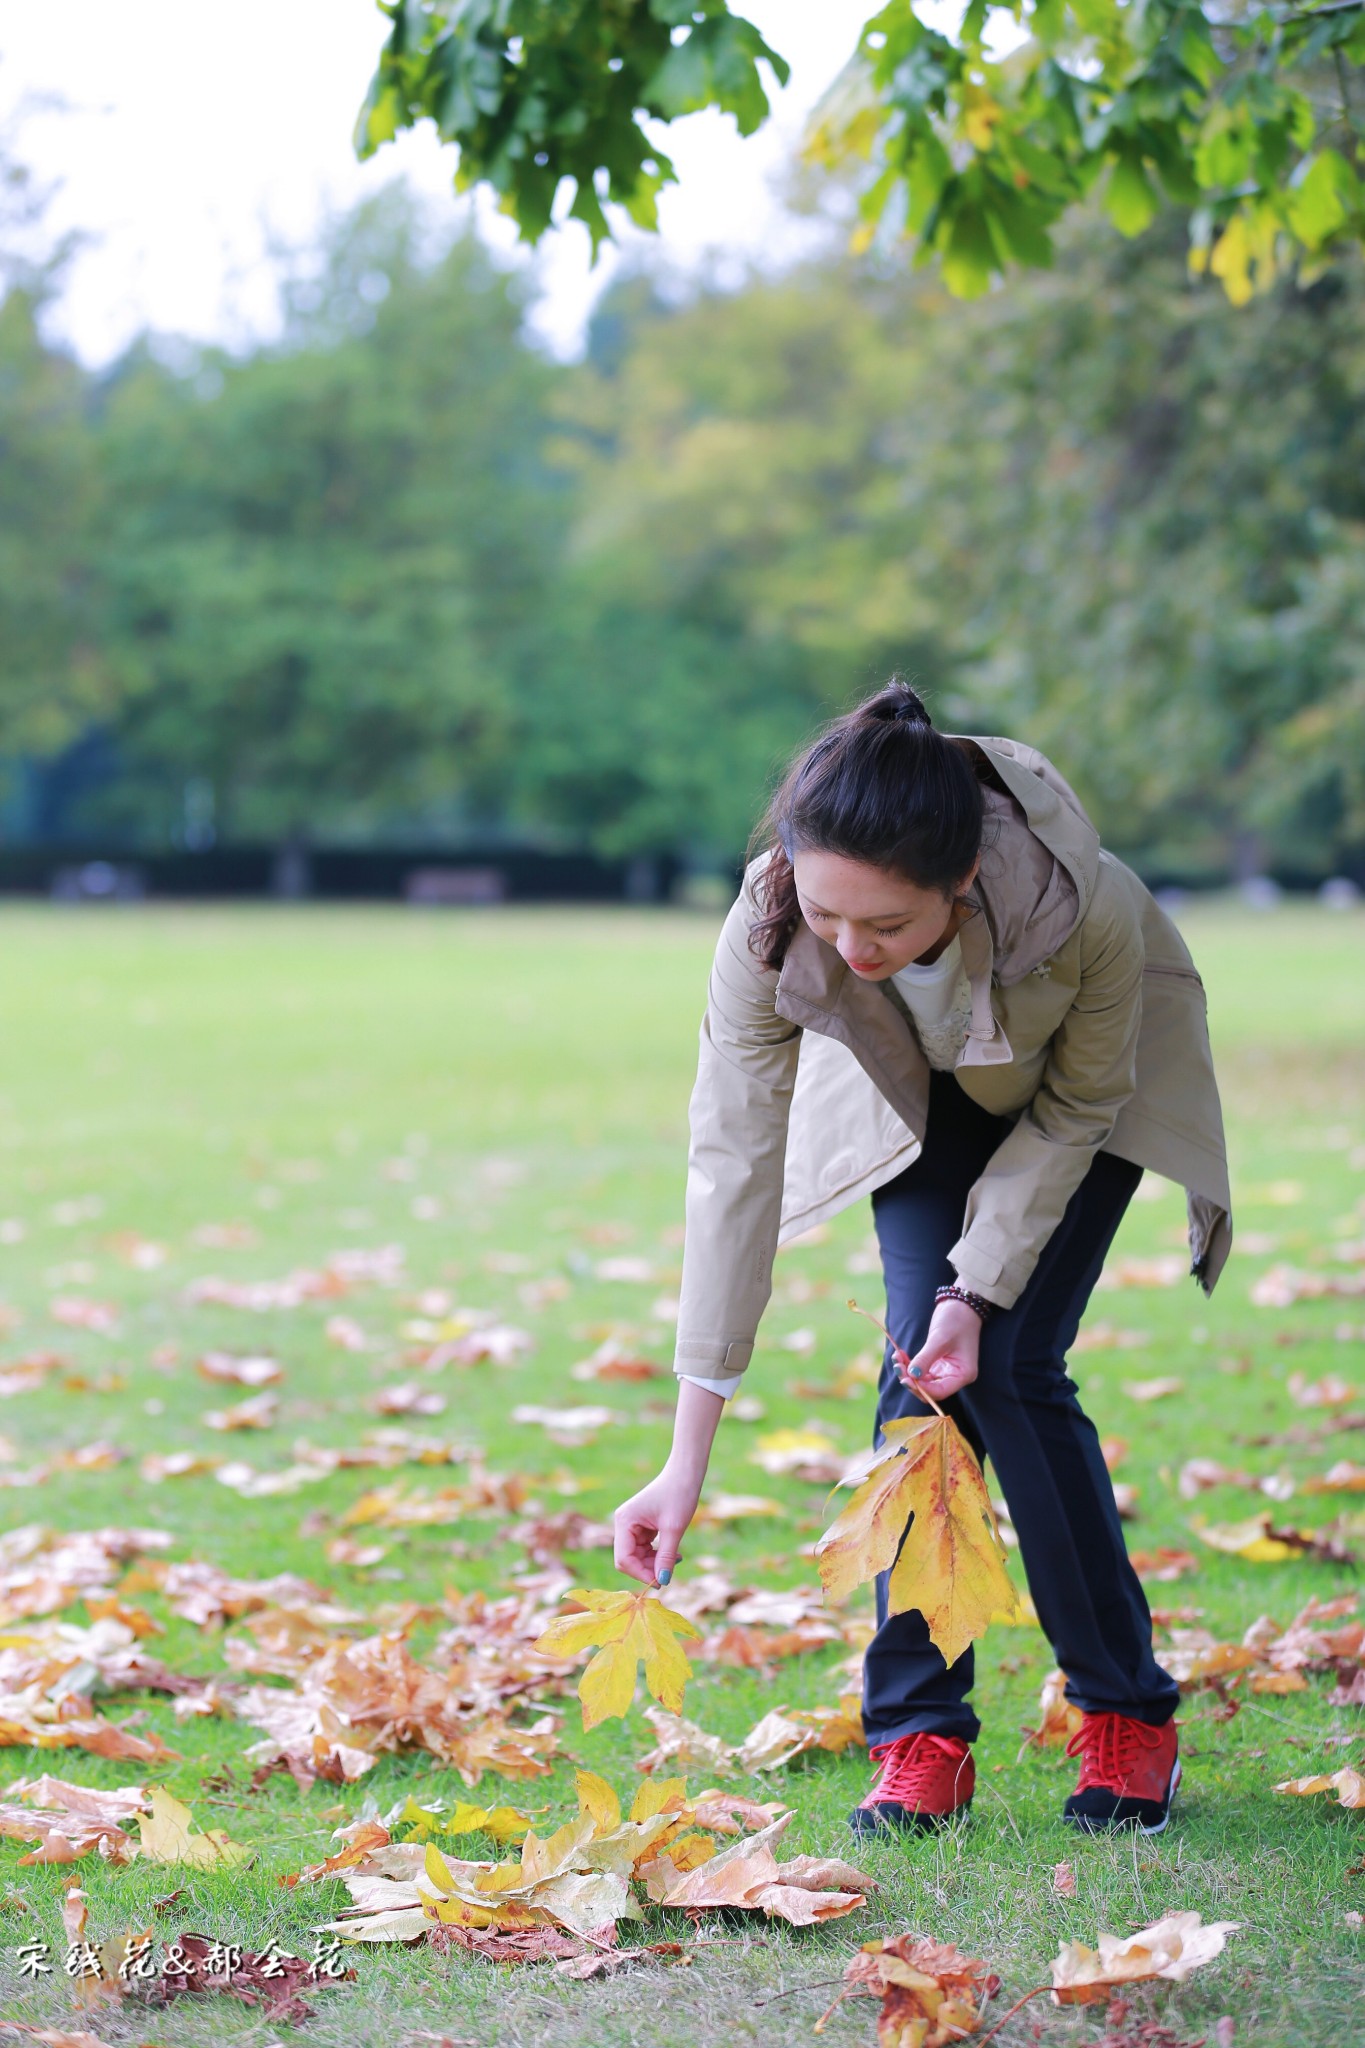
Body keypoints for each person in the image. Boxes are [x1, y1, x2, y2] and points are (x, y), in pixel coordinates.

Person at [612, 683, 1232, 1837]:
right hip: (926, 1104)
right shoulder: (768, 918)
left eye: (885, 929)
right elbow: (733, 1162)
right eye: (827, 915)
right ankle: (919, 1733)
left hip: (1078, 1104)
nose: (850, 948)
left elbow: (1078, 1106)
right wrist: (685, 1449)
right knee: (922, 1383)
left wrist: (978, 1288)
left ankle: (1127, 1711)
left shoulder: (1079, 904)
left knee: (1009, 1368)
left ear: (958, 882)